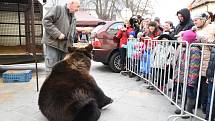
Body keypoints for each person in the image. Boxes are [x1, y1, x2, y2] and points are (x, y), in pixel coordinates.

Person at [42, 0, 80, 74]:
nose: (78, 9)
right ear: (71, 3)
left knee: (63, 71)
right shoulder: (58, 9)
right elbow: (46, 21)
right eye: (77, 6)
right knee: (52, 69)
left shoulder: (73, 17)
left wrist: (76, 37)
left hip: (65, 48)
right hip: (53, 45)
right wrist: (57, 34)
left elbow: (71, 32)